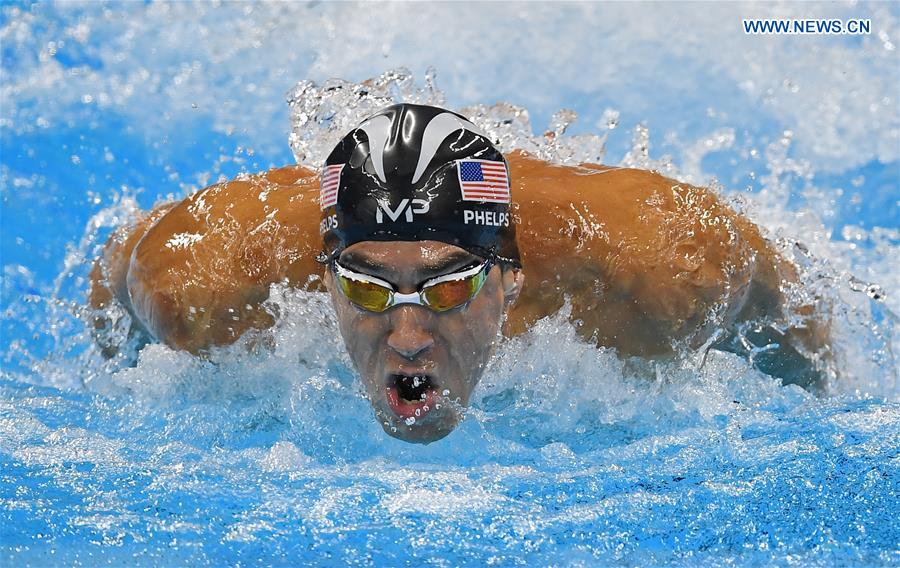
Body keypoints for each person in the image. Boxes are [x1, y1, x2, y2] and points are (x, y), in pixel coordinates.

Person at [90, 103, 828, 443]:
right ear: (322, 278)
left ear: (510, 278)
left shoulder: (660, 272)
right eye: (366, 287)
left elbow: (802, 330)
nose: (408, 335)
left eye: (448, 287)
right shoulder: (200, 286)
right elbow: (117, 273)